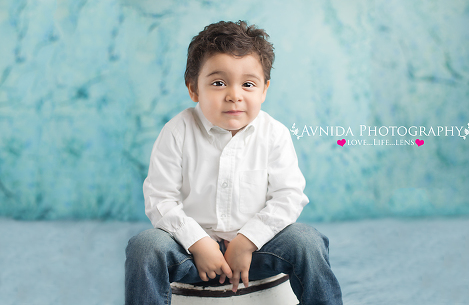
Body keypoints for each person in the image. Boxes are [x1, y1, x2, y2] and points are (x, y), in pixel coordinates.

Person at [125, 20, 343, 305]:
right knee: (144, 246)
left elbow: (289, 196)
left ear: (264, 90)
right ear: (194, 89)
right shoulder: (177, 131)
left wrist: (248, 239)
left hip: (257, 251)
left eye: (248, 84)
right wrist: (198, 242)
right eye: (218, 83)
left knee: (307, 241)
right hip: (190, 253)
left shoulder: (274, 133)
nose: (234, 95)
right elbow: (160, 198)